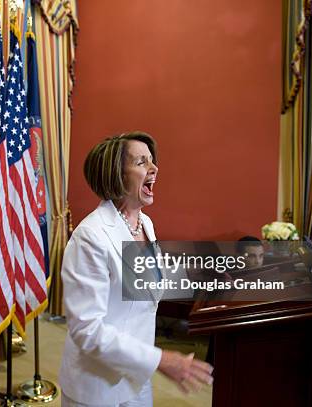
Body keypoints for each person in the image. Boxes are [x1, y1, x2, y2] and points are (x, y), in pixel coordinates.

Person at [59, 132, 213, 406]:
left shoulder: (144, 223)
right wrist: (162, 359)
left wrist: (203, 274)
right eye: (142, 162)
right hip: (96, 385)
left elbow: (144, 283)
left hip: (135, 376)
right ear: (116, 175)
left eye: (152, 161)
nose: (154, 169)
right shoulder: (90, 237)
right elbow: (87, 329)